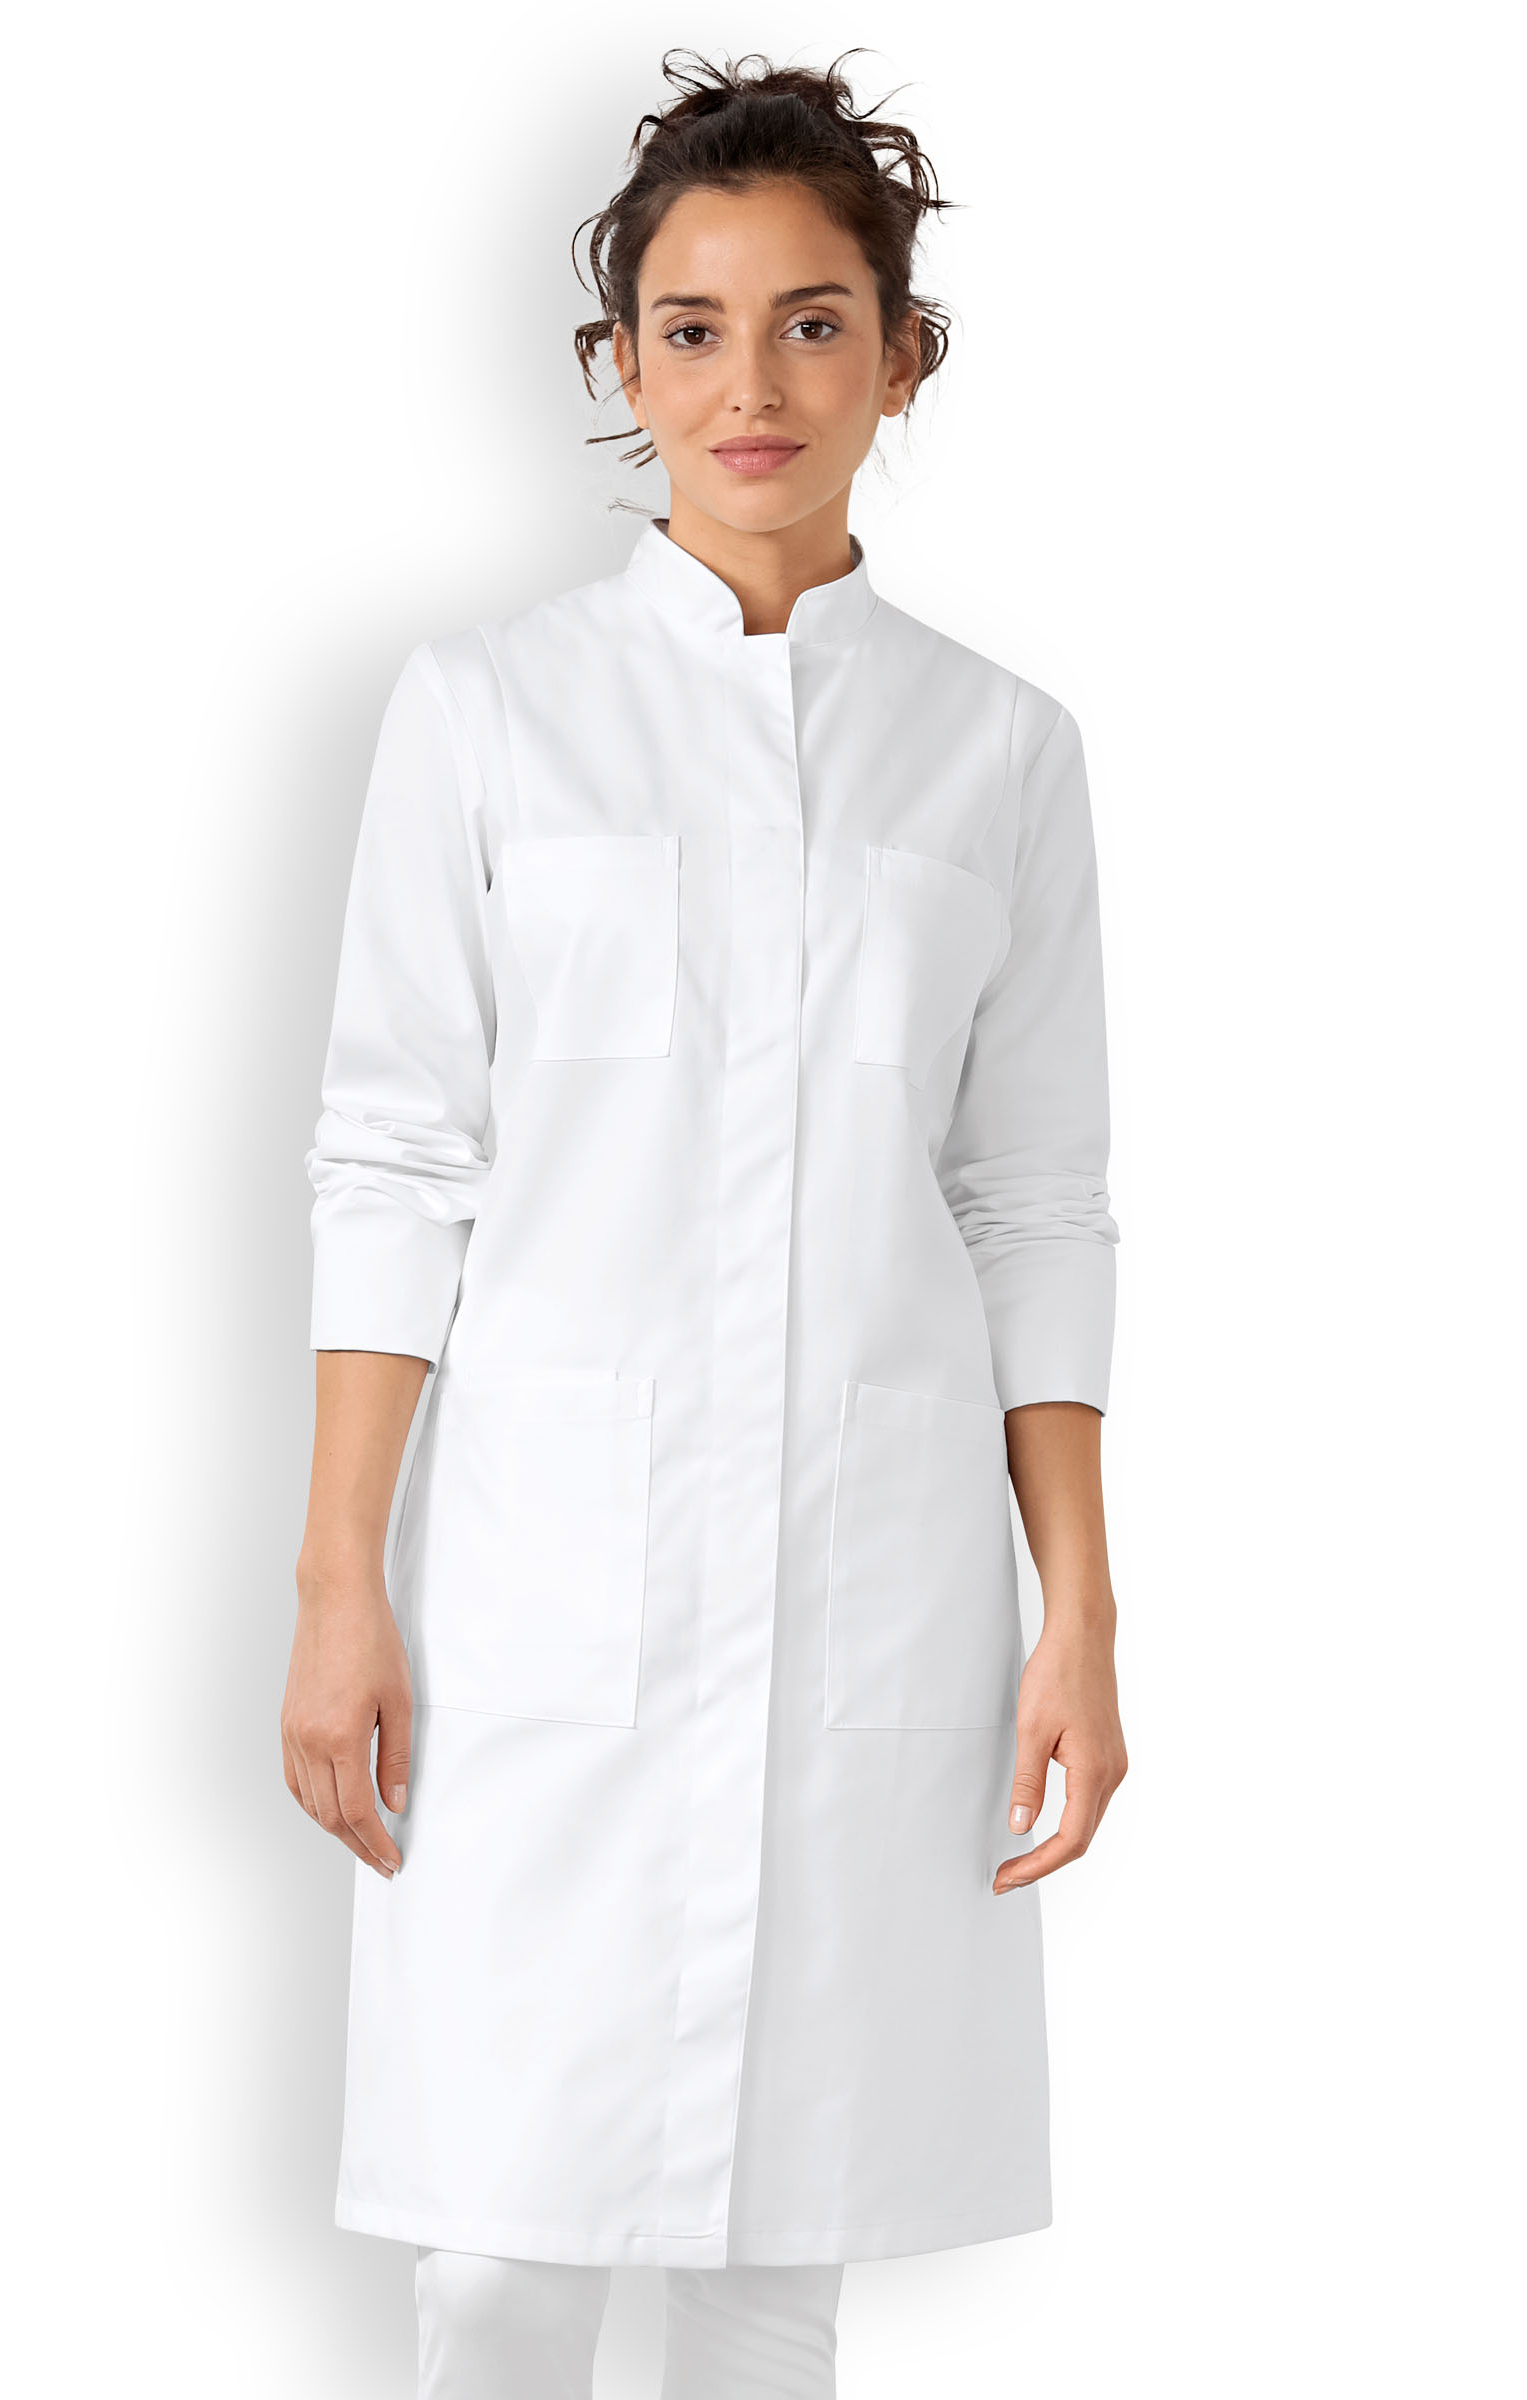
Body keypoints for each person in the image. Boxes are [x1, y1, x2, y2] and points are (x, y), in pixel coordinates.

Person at [281, 46, 1128, 2400]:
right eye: (690, 326)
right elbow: (392, 1154)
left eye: (810, 322)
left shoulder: (998, 751)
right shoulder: (485, 715)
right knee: (498, 2256)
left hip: (873, 1574)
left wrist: (1075, 1608)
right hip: (539, 1588)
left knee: (779, 2264)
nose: (749, 384)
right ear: (619, 362)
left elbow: (1033, 1197)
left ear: (901, 356)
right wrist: (339, 1576)